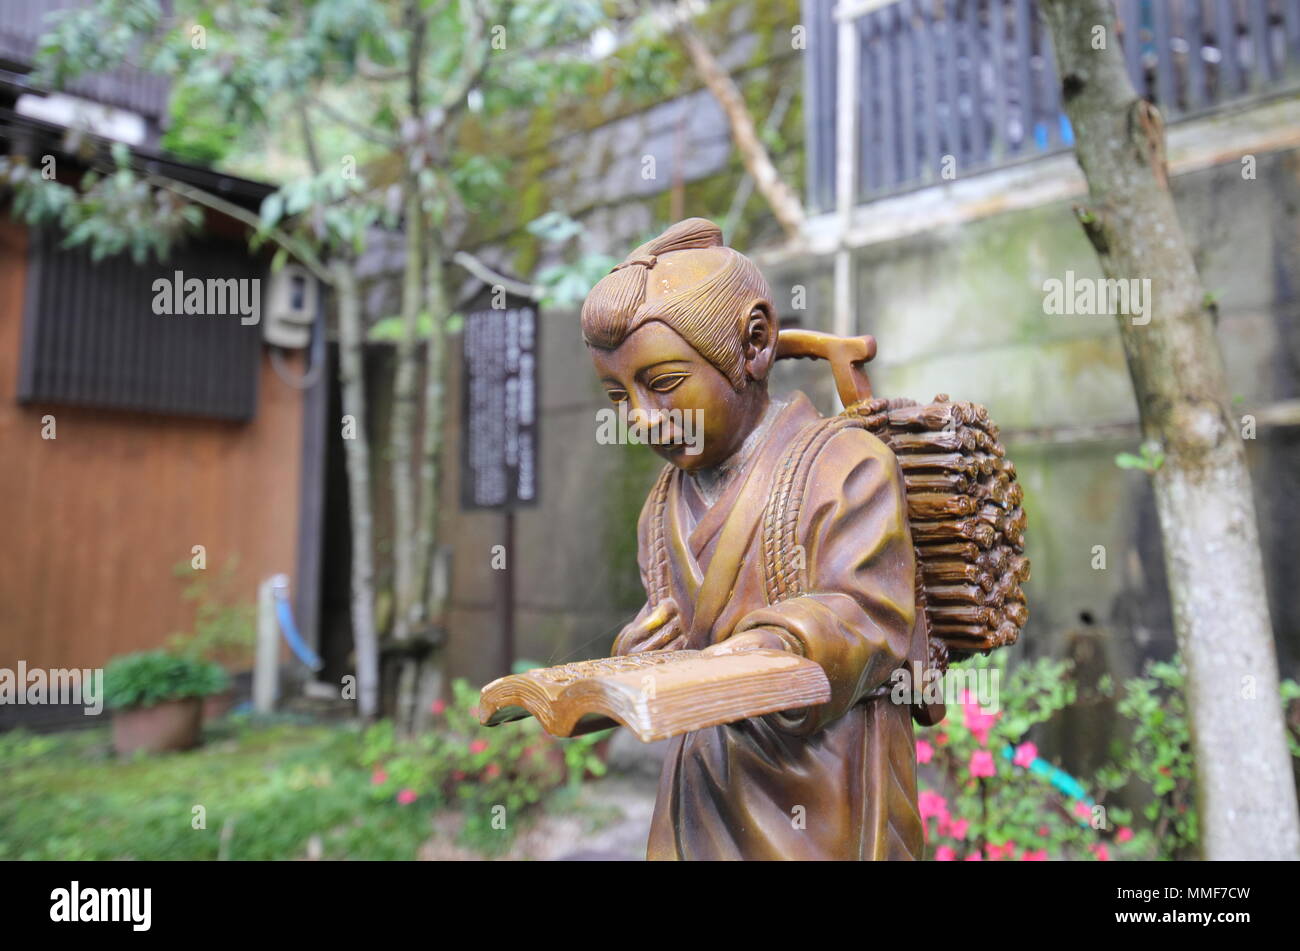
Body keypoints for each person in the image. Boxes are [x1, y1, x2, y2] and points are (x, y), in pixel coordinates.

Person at [582, 217, 927, 860]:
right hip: (703, 782)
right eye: (618, 396)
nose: (642, 419)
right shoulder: (661, 508)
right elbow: (679, 628)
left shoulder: (845, 466)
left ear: (754, 344)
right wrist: (640, 652)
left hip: (825, 782)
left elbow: (872, 619)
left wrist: (771, 645)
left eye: (661, 385)